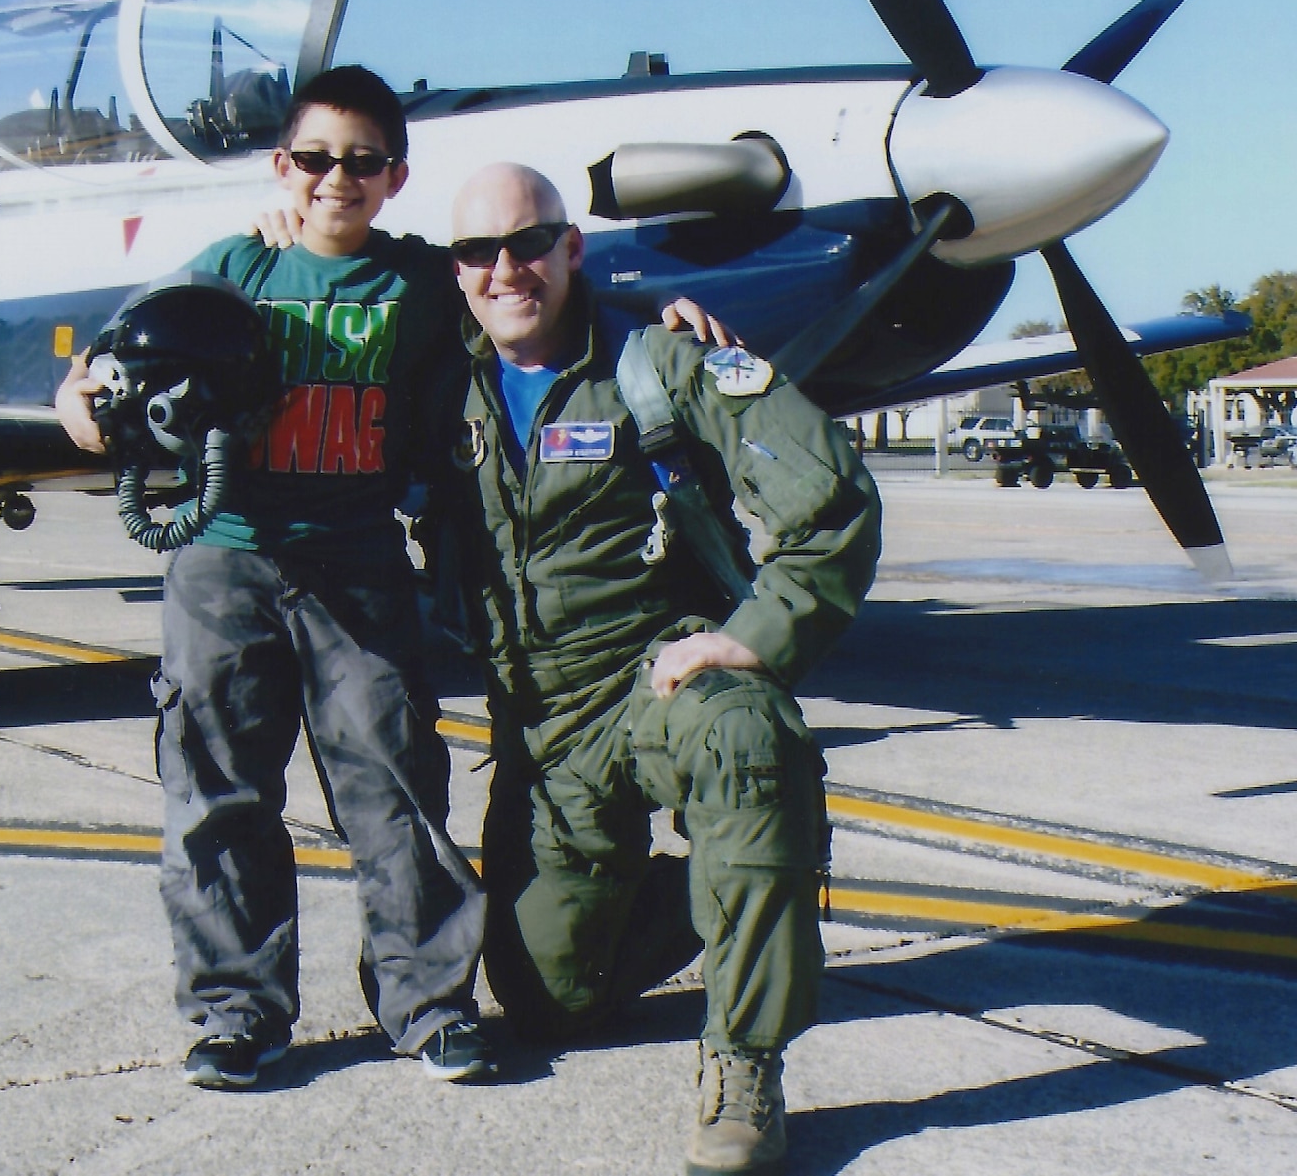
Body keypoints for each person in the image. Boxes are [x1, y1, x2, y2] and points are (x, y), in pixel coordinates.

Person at [55, 66, 492, 1089]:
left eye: (362, 162)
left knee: (393, 784)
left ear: (394, 176)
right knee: (217, 791)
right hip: (226, 559)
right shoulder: (231, 268)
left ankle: (428, 1004)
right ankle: (234, 1013)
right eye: (314, 158)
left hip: (359, 561)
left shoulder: (420, 287)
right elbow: (104, 369)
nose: (336, 178)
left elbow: (532, 308)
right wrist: (76, 407)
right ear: (280, 165)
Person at [440, 163, 880, 1176]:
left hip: (651, 680)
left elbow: (832, 496)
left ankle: (742, 1063)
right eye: (476, 251)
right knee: (548, 1003)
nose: (505, 270)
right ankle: (730, 888)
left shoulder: (658, 364)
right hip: (541, 732)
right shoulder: (435, 381)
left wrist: (754, 635)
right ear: (453, 269)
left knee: (744, 734)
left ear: (570, 248)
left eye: (528, 243)